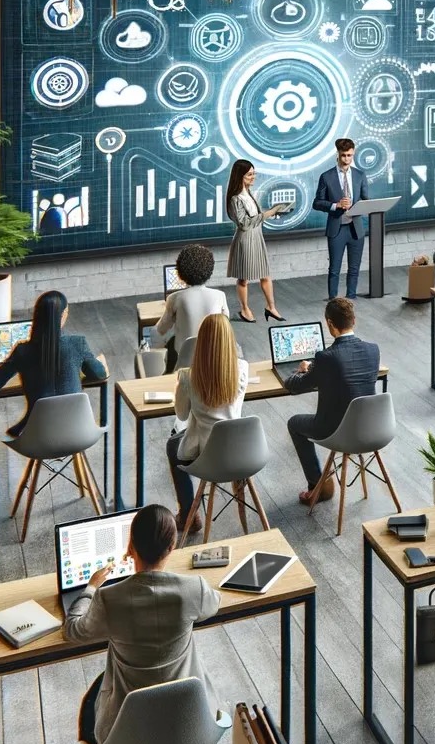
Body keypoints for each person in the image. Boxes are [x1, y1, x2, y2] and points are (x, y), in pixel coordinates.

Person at [64, 504, 220, 744]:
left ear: (129, 547)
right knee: (152, 696)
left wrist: (89, 588)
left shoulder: (109, 598)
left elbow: (73, 630)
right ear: (173, 548)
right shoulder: (192, 589)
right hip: (188, 728)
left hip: (128, 741)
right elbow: (216, 602)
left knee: (93, 706)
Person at [285, 297, 381, 504]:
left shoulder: (326, 357)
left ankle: (317, 486)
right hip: (372, 429)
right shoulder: (373, 350)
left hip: (337, 431)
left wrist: (300, 372)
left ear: (329, 324)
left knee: (294, 424)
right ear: (353, 320)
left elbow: (295, 385)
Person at [165, 313, 249, 533]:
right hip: (241, 452)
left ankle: (188, 516)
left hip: (207, 455)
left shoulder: (187, 376)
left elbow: (182, 416)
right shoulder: (242, 369)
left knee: (172, 445)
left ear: (200, 341)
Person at [0, 289, 107, 438]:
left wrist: (2, 365)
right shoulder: (77, 344)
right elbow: (99, 374)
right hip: (79, 435)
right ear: (62, 315)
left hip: (38, 439)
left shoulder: (22, 351)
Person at [225, 158, 290, 323]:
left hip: (257, 237)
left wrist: (275, 211)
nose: (253, 177)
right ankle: (245, 310)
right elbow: (245, 224)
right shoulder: (235, 199)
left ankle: (271, 307)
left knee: (265, 274)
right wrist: (269, 213)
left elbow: (255, 217)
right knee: (243, 278)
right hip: (245, 240)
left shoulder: (248, 193)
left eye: (254, 174)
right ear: (240, 176)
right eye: (249, 175)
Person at [154, 243, 229, 372]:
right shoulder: (219, 296)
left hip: (184, 364)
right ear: (209, 269)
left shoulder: (175, 298)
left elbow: (161, 329)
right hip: (214, 359)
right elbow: (225, 325)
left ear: (180, 272)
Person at [313, 137, 370, 300]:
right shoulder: (327, 176)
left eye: (350, 155)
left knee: (354, 267)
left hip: (356, 229)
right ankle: (333, 300)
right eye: (344, 155)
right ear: (337, 154)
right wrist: (335, 205)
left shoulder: (360, 175)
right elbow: (317, 203)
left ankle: (351, 298)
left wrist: (366, 206)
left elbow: (366, 198)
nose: (347, 159)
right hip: (337, 229)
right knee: (334, 268)